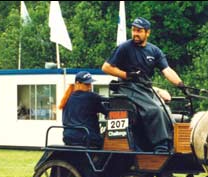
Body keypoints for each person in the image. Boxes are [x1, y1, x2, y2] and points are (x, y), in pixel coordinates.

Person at [102, 16, 186, 153]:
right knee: (155, 110)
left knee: (166, 110)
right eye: (134, 30)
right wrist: (127, 75)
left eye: (139, 31)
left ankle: (172, 143)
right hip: (128, 88)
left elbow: (167, 70)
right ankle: (161, 147)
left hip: (145, 89)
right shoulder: (124, 48)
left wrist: (181, 85)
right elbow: (106, 67)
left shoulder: (154, 51)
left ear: (147, 33)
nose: (135, 33)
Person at [59, 71, 108, 148]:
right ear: (77, 83)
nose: (89, 86)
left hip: (68, 137)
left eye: (90, 84)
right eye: (86, 84)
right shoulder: (91, 97)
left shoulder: (67, 97)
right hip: (87, 137)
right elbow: (107, 112)